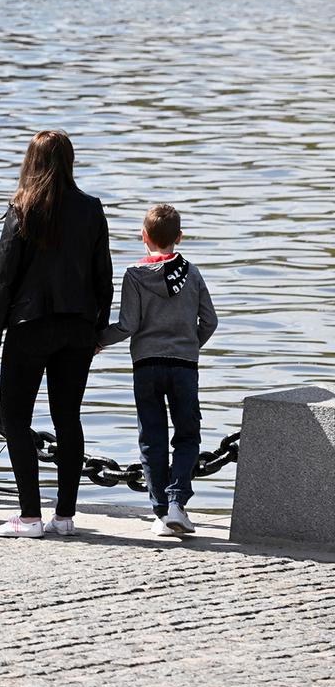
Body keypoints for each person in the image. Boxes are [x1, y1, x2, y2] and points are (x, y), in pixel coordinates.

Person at [0, 130, 113, 539]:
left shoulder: (22, 208)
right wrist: (98, 329)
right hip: (76, 328)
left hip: (29, 326)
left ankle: (29, 517)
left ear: (31, 162)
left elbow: (4, 278)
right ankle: (66, 516)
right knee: (68, 418)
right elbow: (104, 277)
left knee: (17, 419)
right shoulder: (91, 209)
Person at [98, 204, 217, 536]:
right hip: (183, 367)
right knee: (188, 435)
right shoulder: (192, 273)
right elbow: (210, 321)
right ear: (179, 237)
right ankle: (178, 501)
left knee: (152, 439)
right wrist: (189, 345)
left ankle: (161, 513)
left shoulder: (134, 274)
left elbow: (127, 325)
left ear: (143, 236)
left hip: (146, 367)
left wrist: (98, 342)